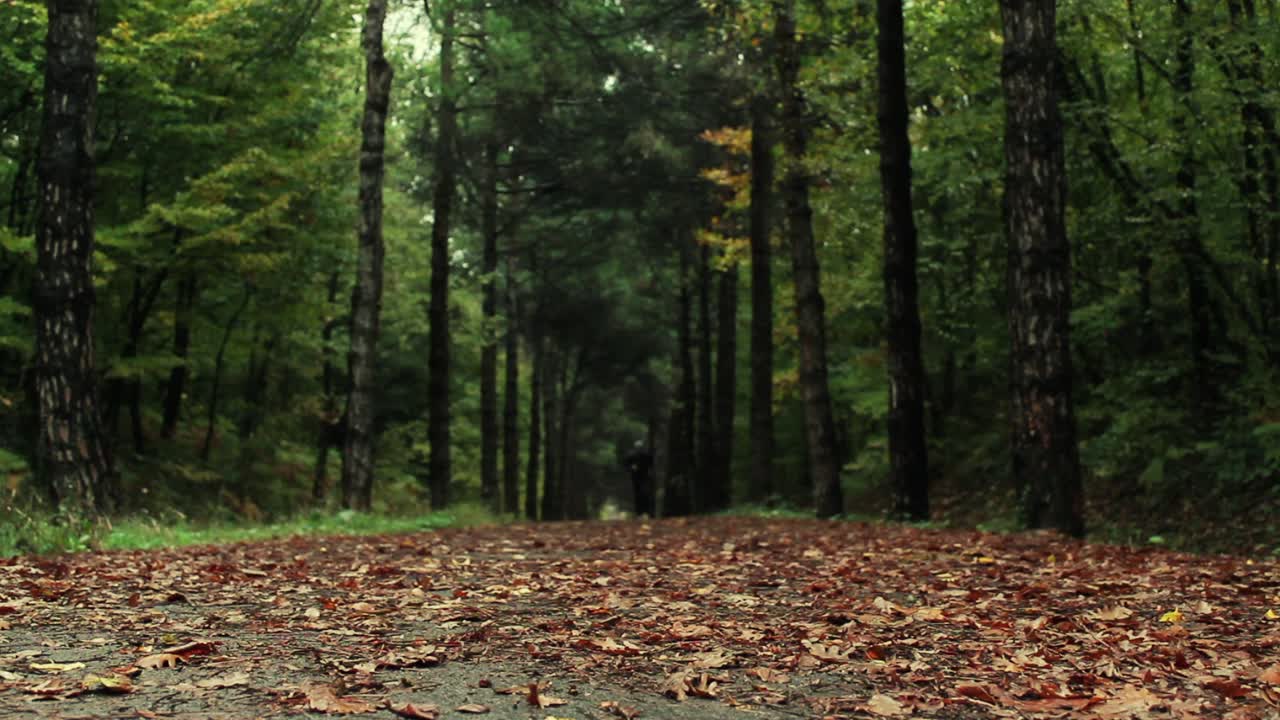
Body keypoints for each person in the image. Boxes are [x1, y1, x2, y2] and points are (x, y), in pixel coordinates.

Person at [624, 440, 655, 517]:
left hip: (645, 477)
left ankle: (647, 512)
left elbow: (651, 464)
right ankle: (639, 513)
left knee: (645, 494)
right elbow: (626, 465)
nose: (639, 448)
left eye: (640, 447)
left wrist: (649, 472)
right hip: (636, 478)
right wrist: (631, 468)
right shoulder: (631, 456)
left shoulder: (646, 455)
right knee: (638, 495)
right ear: (635, 448)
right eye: (638, 447)